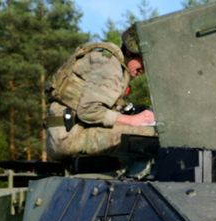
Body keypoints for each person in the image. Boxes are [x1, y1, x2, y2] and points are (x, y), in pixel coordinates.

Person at [45, 25, 157, 160]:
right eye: (144, 61)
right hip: (70, 139)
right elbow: (88, 111)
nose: (144, 70)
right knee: (154, 134)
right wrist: (132, 120)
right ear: (130, 53)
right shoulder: (111, 65)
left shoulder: (107, 58)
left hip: (64, 136)